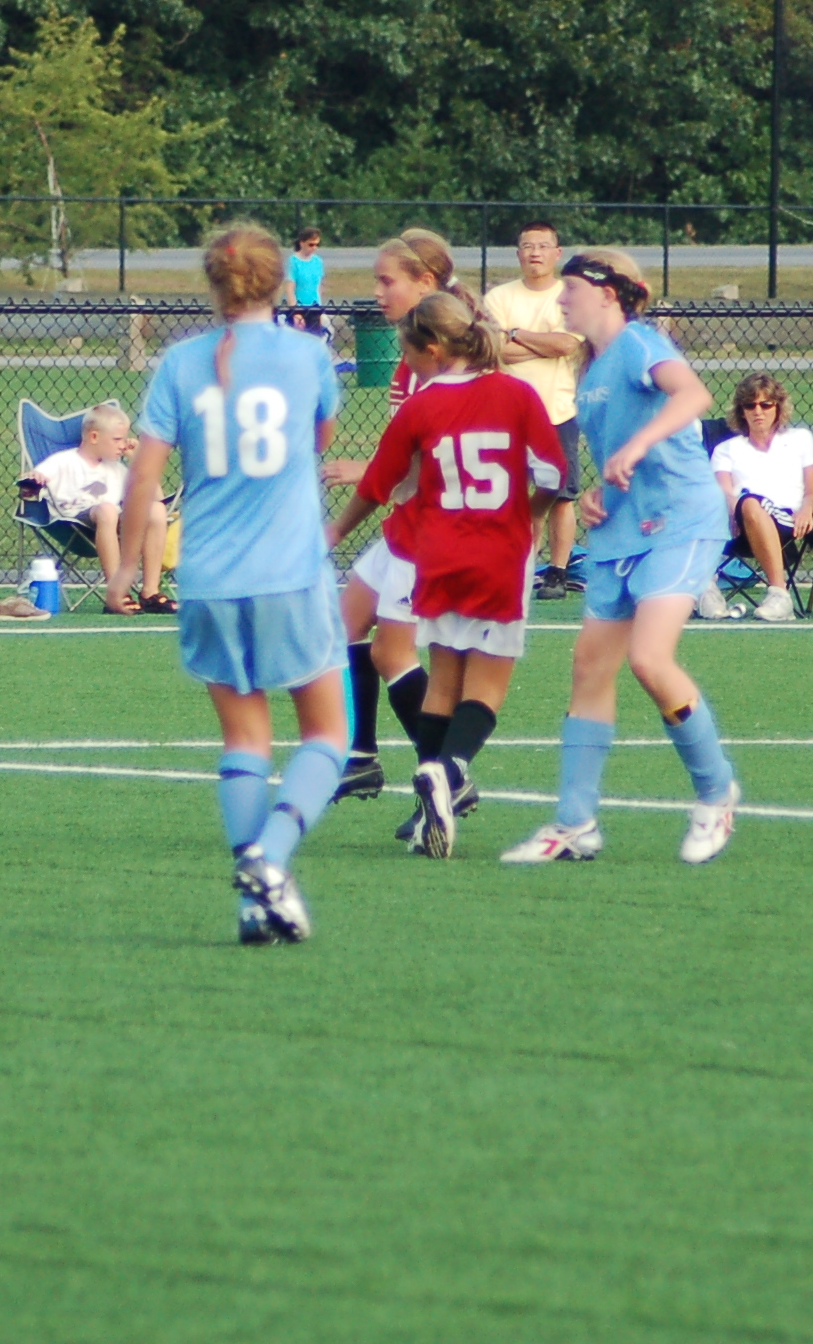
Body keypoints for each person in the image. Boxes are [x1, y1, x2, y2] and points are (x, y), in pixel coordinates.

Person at [120, 223, 347, 944]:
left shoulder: (180, 362)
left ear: (213, 285)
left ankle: (254, 907)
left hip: (209, 578)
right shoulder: (307, 355)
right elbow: (320, 440)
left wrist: (124, 568)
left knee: (245, 737)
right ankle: (270, 858)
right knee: (329, 734)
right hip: (290, 573)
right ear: (281, 282)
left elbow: (143, 476)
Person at [499, 249, 741, 868]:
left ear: (607, 293)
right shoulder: (592, 366)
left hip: (679, 522)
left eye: (571, 289)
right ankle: (574, 823)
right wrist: (597, 495)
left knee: (649, 659)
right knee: (589, 669)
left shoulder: (639, 343)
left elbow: (693, 395)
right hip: (621, 531)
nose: (561, 300)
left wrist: (636, 446)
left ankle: (717, 793)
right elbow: (613, 457)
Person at [329, 291, 565, 857]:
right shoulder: (516, 393)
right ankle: (450, 771)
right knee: (485, 687)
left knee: (441, 680)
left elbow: (378, 484)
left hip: (437, 555)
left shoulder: (421, 406)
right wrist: (531, 515)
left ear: (431, 348)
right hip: (499, 554)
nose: (405, 361)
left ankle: (427, 800)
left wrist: (333, 532)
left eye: (406, 352)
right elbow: (554, 474)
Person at [320, 229, 461, 812]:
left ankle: (447, 774)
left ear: (425, 283)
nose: (377, 293)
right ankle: (360, 755)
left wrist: (372, 474)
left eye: (387, 281)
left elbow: (439, 453)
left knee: (392, 654)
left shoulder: (441, 357)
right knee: (344, 625)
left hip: (432, 528)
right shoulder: (413, 352)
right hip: (408, 519)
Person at [479, 220, 589, 600]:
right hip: (505, 412)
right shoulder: (499, 297)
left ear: (557, 253)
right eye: (528, 246)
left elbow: (567, 345)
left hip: (557, 411)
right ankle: (518, 569)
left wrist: (516, 334)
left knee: (560, 494)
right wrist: (538, 345)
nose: (535, 253)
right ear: (518, 253)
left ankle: (557, 571)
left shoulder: (567, 296)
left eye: (543, 246)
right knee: (511, 496)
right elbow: (493, 349)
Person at [27, 401, 171, 614]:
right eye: (117, 439)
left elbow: (157, 498)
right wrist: (34, 480)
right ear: (94, 437)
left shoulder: (116, 469)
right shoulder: (62, 462)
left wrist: (137, 461)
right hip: (74, 525)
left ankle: (150, 592)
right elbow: (30, 484)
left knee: (156, 510)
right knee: (107, 510)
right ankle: (117, 593)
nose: (123, 445)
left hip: (116, 526)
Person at [705, 373, 813, 623]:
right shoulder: (726, 449)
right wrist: (736, 509)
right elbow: (724, 492)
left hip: (789, 520)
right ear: (742, 411)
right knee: (715, 503)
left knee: (750, 501)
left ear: (778, 407)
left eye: (766, 404)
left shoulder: (800, 439)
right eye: (750, 405)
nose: (758, 411)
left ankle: (780, 595)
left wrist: (806, 510)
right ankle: (705, 587)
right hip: (738, 524)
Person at [285, 226, 330, 335]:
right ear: (302, 243)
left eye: (317, 245)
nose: (314, 248)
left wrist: (320, 310)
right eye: (311, 245)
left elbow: (318, 287)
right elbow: (290, 288)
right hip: (299, 307)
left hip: (314, 307)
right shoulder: (293, 261)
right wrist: (295, 312)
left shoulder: (318, 262)